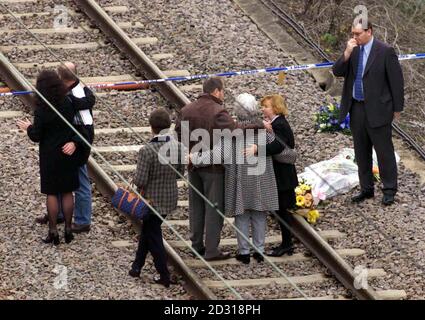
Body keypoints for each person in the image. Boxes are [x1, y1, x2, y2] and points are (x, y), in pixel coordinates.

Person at [190, 93, 279, 264]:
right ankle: (259, 250)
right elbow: (282, 152)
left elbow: (218, 154)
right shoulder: (264, 129)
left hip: (239, 180)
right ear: (254, 109)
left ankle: (244, 251)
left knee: (242, 214)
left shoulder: (232, 132)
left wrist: (194, 159)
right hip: (260, 179)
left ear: (236, 111)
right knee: (259, 214)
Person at [333, 20, 404, 206]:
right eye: (352, 34)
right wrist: (346, 53)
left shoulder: (385, 51)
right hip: (356, 107)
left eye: (357, 34)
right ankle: (366, 188)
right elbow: (337, 71)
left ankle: (389, 189)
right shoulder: (353, 50)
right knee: (361, 150)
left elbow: (396, 82)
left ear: (369, 31)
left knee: (384, 151)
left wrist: (397, 108)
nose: (354, 37)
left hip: (379, 109)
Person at [174, 77, 235, 261]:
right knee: (213, 208)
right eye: (222, 91)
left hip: (193, 164)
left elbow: (178, 132)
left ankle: (196, 244)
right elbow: (235, 131)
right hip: (214, 168)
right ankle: (211, 250)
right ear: (216, 91)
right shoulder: (218, 111)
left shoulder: (187, 109)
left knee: (196, 206)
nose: (223, 95)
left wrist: (192, 148)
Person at [17, 70, 80, 245]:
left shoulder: (42, 109)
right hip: (68, 152)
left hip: (50, 155)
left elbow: (36, 135)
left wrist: (28, 127)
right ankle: (68, 229)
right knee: (68, 191)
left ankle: (53, 231)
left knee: (52, 193)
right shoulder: (68, 103)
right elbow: (76, 126)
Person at [129, 108, 185, 288]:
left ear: (151, 127)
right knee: (148, 231)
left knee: (153, 236)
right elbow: (179, 173)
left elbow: (140, 180)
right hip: (169, 198)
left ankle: (164, 274)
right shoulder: (176, 147)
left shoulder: (147, 150)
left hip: (151, 201)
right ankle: (136, 267)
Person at [246, 94, 299, 256]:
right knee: (280, 210)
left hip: (283, 175)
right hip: (282, 175)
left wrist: (257, 149)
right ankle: (286, 243)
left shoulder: (280, 123)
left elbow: (278, 146)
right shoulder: (277, 123)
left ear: (275, 108)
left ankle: (287, 244)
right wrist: (270, 129)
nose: (263, 109)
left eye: (266, 106)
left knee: (282, 210)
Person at [59, 62, 96, 233]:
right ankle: (60, 211)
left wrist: (75, 142)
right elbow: (90, 100)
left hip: (79, 140)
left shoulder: (69, 95)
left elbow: (84, 125)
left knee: (80, 181)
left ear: (61, 77)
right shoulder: (83, 90)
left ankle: (82, 220)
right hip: (78, 138)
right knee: (62, 176)